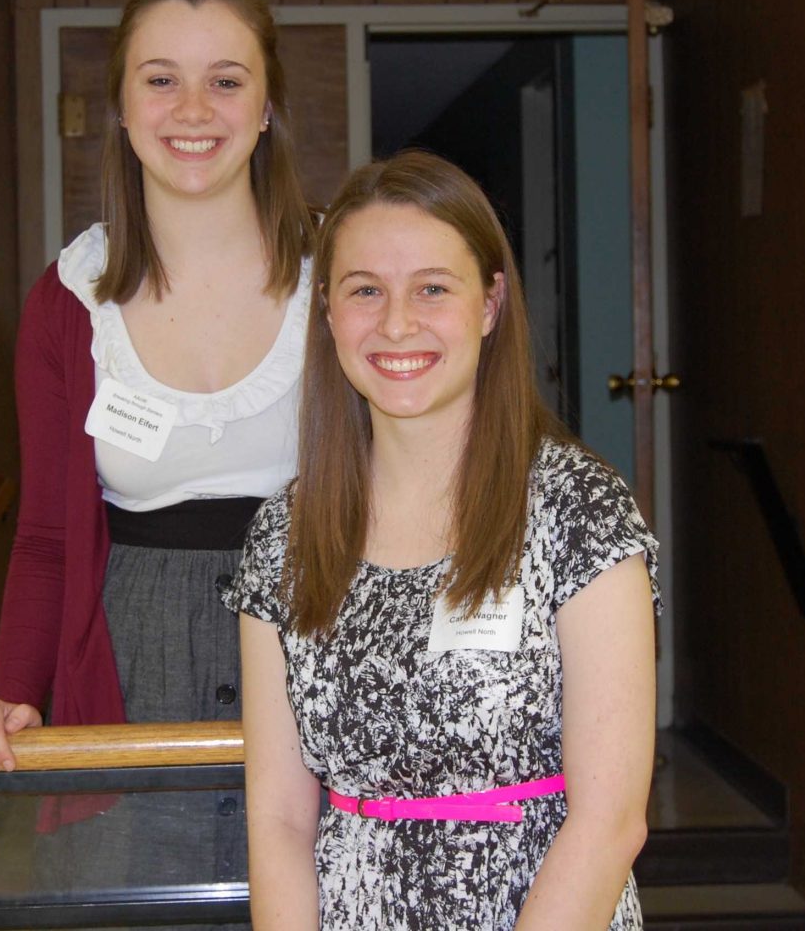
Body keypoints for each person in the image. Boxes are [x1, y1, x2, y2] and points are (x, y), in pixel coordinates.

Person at [0, 0, 313, 915]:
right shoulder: (69, 301)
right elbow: (51, 537)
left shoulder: (343, 273)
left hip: (320, 655)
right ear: (124, 109)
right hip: (129, 668)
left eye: (227, 79)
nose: (194, 107)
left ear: (266, 108)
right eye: (159, 78)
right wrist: (13, 693)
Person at [226, 150, 660, 930]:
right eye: (366, 291)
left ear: (491, 304)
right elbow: (280, 822)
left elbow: (611, 821)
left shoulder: (579, 511)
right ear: (327, 311)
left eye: (433, 288)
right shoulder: (283, 538)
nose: (397, 323)